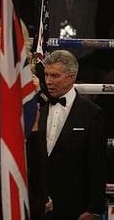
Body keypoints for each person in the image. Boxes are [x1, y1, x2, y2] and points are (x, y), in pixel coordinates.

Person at [38, 49, 106, 219]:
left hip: (74, 205)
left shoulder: (91, 113)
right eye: (46, 75)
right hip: (38, 204)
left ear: (71, 77)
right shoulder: (37, 108)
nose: (48, 81)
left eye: (55, 76)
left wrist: (94, 208)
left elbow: (97, 163)